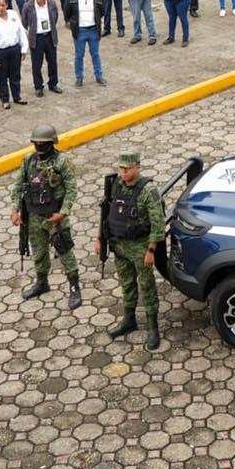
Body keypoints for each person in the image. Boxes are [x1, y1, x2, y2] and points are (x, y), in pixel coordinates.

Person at [98, 150, 167, 350]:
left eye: (127, 169)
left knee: (147, 286)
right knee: (127, 283)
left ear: (138, 167)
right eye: (121, 168)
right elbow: (106, 213)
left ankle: (153, 326)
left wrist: (151, 250)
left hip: (140, 247)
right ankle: (129, 319)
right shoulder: (115, 186)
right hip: (119, 245)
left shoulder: (148, 190)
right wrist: (99, 238)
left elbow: (158, 223)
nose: (124, 172)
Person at [12, 124, 80, 309]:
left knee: (64, 250)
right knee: (39, 252)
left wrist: (63, 213)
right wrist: (15, 209)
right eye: (36, 143)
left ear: (51, 143)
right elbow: (19, 185)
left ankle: (74, 287)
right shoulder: (28, 161)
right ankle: (42, 283)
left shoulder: (61, 162)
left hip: (55, 215)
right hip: (33, 216)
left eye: (43, 143)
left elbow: (72, 189)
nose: (39, 146)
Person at [0, 0, 28, 109]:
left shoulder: (13, 15)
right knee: (2, 76)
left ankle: (17, 96)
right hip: (1, 51)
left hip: (14, 49)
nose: (1, 8)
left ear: (7, 5)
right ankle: (5, 99)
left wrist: (24, 48)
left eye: (3, 5)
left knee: (15, 74)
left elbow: (21, 31)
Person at [20, 0, 62, 97]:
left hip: (49, 36)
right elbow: (24, 21)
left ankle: (53, 84)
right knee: (37, 64)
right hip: (36, 38)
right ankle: (38, 87)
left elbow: (55, 18)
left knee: (52, 62)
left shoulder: (52, 4)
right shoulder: (28, 6)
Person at [64, 0, 105, 87]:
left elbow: (101, 12)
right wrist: (71, 24)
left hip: (93, 30)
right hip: (80, 31)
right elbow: (66, 13)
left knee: (95, 54)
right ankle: (79, 78)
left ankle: (99, 76)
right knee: (79, 55)